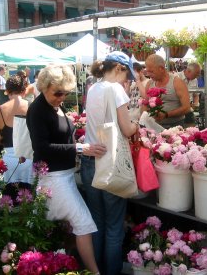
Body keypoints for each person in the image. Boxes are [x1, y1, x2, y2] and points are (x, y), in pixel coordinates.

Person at [26, 65, 104, 273]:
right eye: (57, 93)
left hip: (63, 175)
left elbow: (62, 135)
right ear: (44, 87)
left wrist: (77, 143)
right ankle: (94, 272)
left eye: (65, 93)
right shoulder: (37, 110)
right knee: (83, 222)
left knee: (50, 225)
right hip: (52, 177)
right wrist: (79, 148)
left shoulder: (54, 106)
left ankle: (41, 264)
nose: (61, 97)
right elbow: (42, 147)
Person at [80, 51, 138, 275]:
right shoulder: (116, 89)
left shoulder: (93, 88)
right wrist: (137, 124)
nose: (128, 79)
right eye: (127, 74)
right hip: (110, 161)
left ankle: (96, 270)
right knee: (114, 226)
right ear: (118, 68)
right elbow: (126, 129)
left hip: (89, 160)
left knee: (97, 222)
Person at [0, 75, 33, 184]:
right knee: (32, 197)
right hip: (30, 159)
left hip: (9, 161)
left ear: (7, 91)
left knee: (9, 198)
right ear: (23, 90)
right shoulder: (32, 107)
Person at [144, 54, 190, 129]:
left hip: (175, 127)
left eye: (151, 71)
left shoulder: (177, 82)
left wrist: (166, 114)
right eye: (147, 71)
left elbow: (187, 107)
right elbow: (145, 104)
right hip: (154, 127)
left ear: (161, 68)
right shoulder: (150, 84)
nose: (149, 74)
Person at [176, 62, 201, 127]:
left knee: (191, 129)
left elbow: (196, 95)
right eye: (196, 74)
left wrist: (196, 104)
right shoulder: (177, 77)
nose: (197, 76)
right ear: (189, 71)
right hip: (178, 108)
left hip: (189, 109)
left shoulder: (195, 80)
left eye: (198, 75)